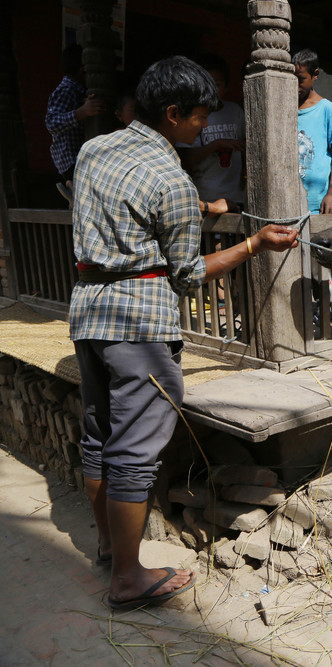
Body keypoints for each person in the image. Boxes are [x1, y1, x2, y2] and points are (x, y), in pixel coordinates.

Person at [70, 56, 299, 610]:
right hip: (140, 325)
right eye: (200, 117)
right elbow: (189, 273)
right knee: (134, 454)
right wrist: (250, 246)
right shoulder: (172, 179)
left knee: (99, 439)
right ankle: (127, 577)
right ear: (172, 114)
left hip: (88, 312)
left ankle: (107, 545)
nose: (204, 127)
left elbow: (117, 213)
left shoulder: (94, 149)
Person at [177, 54, 246, 209]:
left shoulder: (235, 111)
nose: (212, 91)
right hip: (206, 195)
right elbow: (185, 158)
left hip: (237, 194)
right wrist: (216, 145)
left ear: (227, 87)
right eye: (207, 85)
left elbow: (245, 148)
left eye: (217, 84)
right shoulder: (191, 116)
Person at [45, 43, 106, 202]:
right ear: (82, 70)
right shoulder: (66, 89)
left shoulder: (77, 90)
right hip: (69, 158)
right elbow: (51, 123)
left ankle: (72, 189)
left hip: (75, 158)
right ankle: (72, 190)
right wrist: (82, 112)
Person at [293, 49, 332, 214]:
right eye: (291, 78)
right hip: (289, 200)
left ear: (315, 75)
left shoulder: (328, 111)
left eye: (300, 79)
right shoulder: (284, 109)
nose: (295, 84)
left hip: (318, 203)